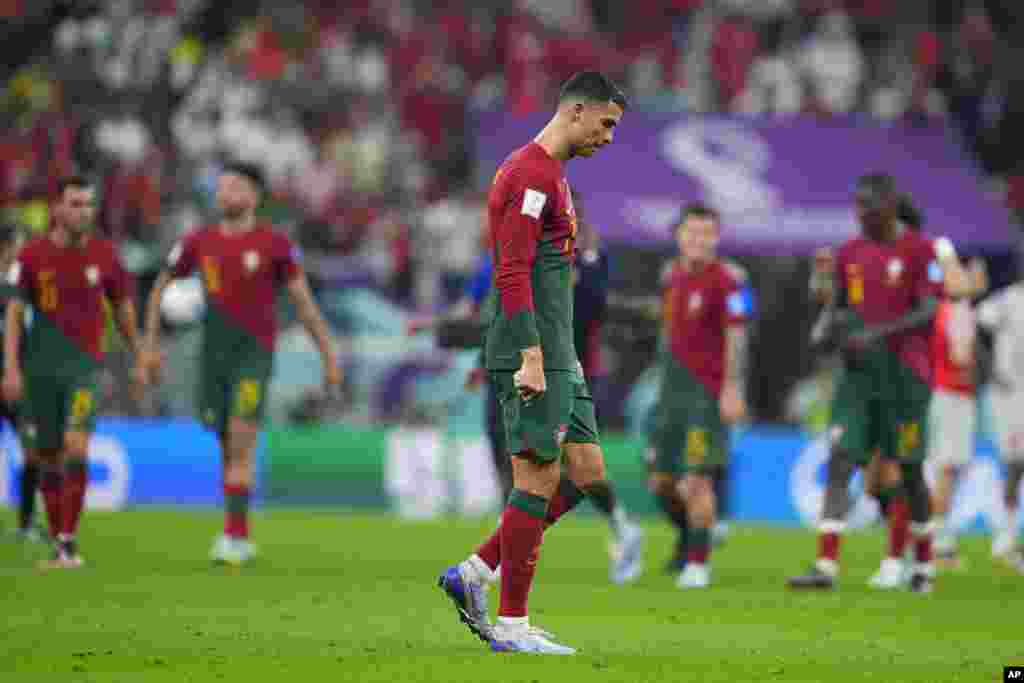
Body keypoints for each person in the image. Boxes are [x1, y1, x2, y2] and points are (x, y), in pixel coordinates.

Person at [437, 71, 629, 655]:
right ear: (576, 111)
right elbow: (512, 271)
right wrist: (530, 356)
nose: (610, 137)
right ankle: (512, 625)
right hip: (534, 352)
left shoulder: (555, 177)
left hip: (560, 351)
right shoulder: (531, 175)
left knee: (587, 473)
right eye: (606, 124)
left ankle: (474, 572)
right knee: (537, 478)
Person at [142, 163, 340, 566]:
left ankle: (235, 536)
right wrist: (149, 346)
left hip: (254, 359)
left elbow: (303, 304)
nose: (226, 192)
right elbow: (159, 286)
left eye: (235, 185)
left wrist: (328, 356)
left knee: (239, 442)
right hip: (212, 360)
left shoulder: (275, 245)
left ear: (254, 195)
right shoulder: (198, 241)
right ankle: (238, 531)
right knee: (225, 444)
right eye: (222, 185)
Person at [788, 173, 942, 593]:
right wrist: (824, 329)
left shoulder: (921, 250)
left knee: (908, 471)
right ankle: (825, 566)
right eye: (857, 206)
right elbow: (838, 305)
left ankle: (924, 563)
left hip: (906, 380)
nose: (860, 214)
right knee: (841, 463)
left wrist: (877, 334)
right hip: (856, 379)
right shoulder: (850, 253)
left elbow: (930, 309)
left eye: (868, 206)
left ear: (890, 205)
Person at [2, 176, 144, 568]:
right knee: (46, 457)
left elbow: (123, 309)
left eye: (88, 204)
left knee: (77, 448)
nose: (83, 212)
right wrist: (12, 367)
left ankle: (67, 542)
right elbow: (14, 314)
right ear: (58, 209)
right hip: (38, 371)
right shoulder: (30, 256)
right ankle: (58, 540)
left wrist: (140, 353)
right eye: (75, 204)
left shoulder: (105, 256)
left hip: (83, 369)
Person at [648, 203, 749, 589]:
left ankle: (697, 563)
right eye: (692, 232)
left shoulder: (729, 281)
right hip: (670, 392)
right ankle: (695, 533)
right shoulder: (670, 275)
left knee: (696, 482)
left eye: (707, 233)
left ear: (716, 238)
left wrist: (732, 388)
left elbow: (737, 336)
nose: (698, 240)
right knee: (661, 482)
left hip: (705, 397)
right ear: (679, 235)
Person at [976, 274, 1024, 570]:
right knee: (1016, 464)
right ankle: (1005, 539)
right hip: (1012, 395)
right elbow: (977, 324)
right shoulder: (1008, 300)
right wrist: (991, 367)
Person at [0, 223, 39, 541]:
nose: (23, 251)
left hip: (20, 385)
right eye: (18, 245)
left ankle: (27, 525)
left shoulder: (28, 288)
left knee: (33, 452)